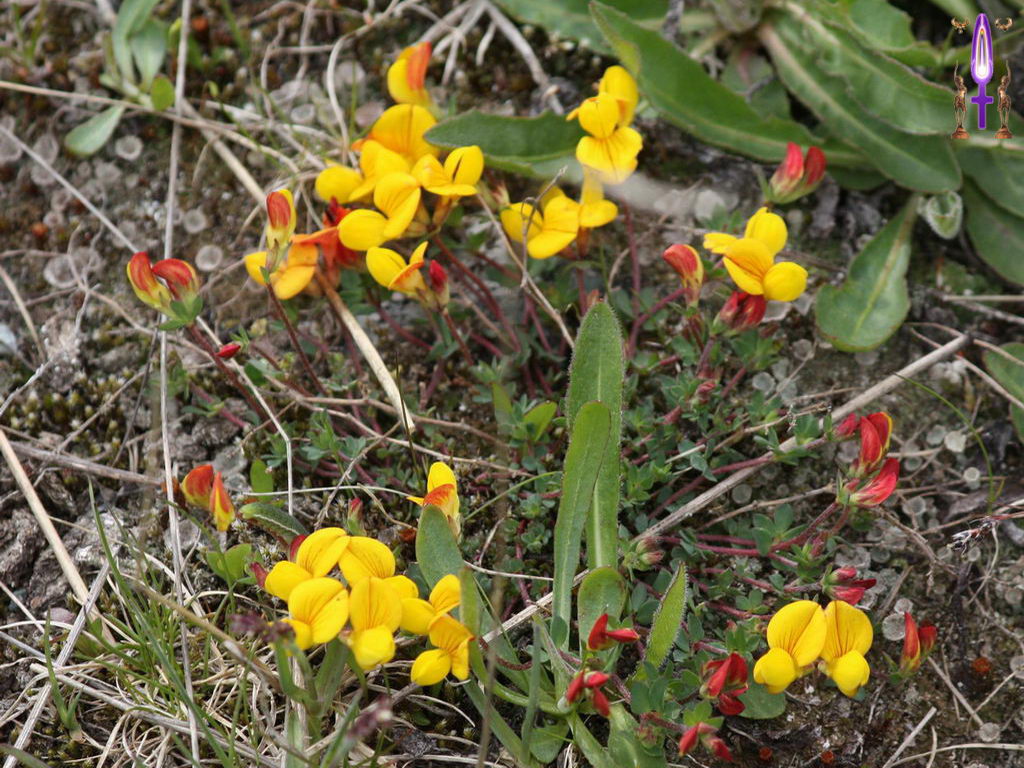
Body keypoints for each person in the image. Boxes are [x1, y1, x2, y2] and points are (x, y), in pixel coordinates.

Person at [951, 64, 969, 139]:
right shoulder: (960, 87)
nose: (960, 82)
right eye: (959, 81)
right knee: (958, 113)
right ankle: (959, 125)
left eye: (960, 81)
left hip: (962, 100)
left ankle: (960, 125)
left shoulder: (963, 88)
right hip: (958, 99)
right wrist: (955, 69)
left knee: (963, 113)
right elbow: (955, 78)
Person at [996, 65, 1013, 139]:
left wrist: (1008, 68)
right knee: (1001, 112)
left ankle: (1005, 125)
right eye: (1003, 81)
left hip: (1006, 98)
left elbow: (1009, 78)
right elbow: (999, 96)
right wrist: (999, 103)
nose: (1004, 82)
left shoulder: (1004, 86)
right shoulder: (1000, 87)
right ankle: (1003, 125)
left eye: (1005, 81)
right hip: (1002, 99)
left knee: (1006, 112)